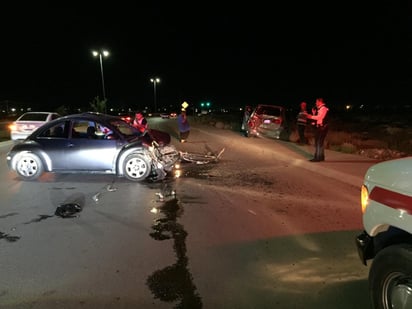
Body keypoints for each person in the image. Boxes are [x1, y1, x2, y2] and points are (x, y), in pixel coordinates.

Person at [306, 98, 329, 162]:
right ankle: (320, 157)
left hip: (322, 128)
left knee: (318, 143)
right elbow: (318, 118)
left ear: (320, 102)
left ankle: (317, 157)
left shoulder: (323, 108)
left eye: (316, 102)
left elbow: (320, 117)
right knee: (319, 143)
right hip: (320, 127)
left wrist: (310, 116)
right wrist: (313, 114)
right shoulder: (320, 109)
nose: (316, 103)